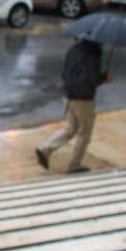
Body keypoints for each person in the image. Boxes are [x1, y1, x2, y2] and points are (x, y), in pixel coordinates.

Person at [36, 38, 110, 173]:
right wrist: (105, 77)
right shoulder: (94, 52)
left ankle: (45, 149)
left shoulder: (73, 49)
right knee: (84, 133)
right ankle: (74, 164)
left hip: (69, 95)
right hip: (84, 98)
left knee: (71, 128)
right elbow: (93, 79)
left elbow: (64, 72)